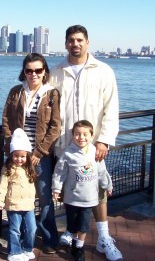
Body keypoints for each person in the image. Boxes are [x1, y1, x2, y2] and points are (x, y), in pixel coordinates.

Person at [50, 25, 122, 261]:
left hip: (93, 147)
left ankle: (103, 238)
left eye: (80, 40)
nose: (75, 44)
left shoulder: (103, 71)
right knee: (67, 189)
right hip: (64, 146)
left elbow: (111, 109)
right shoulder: (56, 72)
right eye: (71, 40)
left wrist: (104, 140)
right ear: (65, 44)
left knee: (98, 192)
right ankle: (71, 232)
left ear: (88, 42)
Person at [2, 52, 61, 253]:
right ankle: (18, 236)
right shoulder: (16, 92)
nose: (33, 74)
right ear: (24, 72)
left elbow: (55, 126)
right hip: (17, 156)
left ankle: (50, 239)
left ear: (44, 71)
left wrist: (40, 151)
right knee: (16, 195)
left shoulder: (51, 93)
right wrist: (12, 148)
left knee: (44, 198)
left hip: (40, 156)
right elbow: (7, 121)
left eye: (38, 70)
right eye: (29, 70)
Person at [52, 120, 113, 261]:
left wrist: (107, 185)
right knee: (73, 225)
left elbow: (102, 173)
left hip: (89, 198)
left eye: (85, 134)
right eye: (77, 134)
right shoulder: (67, 154)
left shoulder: (95, 153)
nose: (81, 137)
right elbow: (59, 173)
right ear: (72, 135)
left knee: (84, 225)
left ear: (92, 136)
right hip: (72, 197)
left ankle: (79, 247)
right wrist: (56, 188)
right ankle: (74, 241)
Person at [0, 128, 38, 261]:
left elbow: (31, 187)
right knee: (15, 230)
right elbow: (2, 186)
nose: (19, 159)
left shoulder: (30, 169)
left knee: (32, 228)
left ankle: (27, 248)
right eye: (16, 156)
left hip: (29, 205)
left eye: (23, 156)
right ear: (11, 155)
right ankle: (14, 252)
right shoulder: (8, 169)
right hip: (13, 204)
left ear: (28, 156)